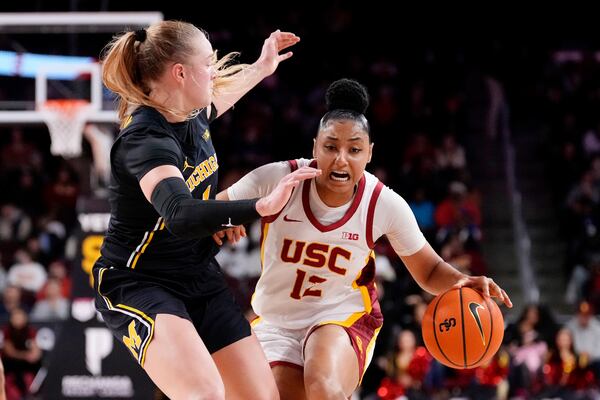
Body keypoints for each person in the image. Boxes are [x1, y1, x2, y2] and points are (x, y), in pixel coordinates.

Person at [217, 78, 513, 399]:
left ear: (369, 153)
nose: (341, 159)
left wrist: (462, 281)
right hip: (276, 319)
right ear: (315, 146)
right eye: (330, 147)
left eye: (354, 149)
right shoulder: (278, 178)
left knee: (322, 385)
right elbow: (213, 208)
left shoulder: (383, 203)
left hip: (342, 316)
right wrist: (227, 215)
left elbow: (427, 271)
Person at [94, 20, 320, 400]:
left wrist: (263, 66)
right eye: (208, 62)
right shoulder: (147, 140)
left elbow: (227, 92)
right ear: (180, 73)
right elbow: (180, 214)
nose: (215, 70)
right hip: (138, 281)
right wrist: (259, 207)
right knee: (204, 393)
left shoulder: (189, 111)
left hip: (196, 274)